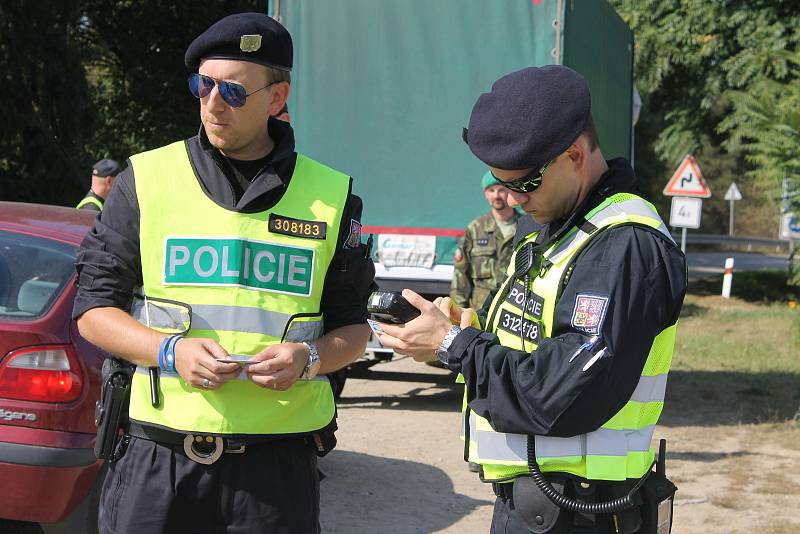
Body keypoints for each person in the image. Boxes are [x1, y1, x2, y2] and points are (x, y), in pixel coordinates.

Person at [73, 13, 375, 534]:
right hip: (157, 462)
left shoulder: (332, 197)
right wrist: (169, 351)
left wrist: (309, 358)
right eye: (203, 85)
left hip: (276, 472)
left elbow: (355, 330)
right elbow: (92, 311)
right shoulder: (144, 180)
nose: (213, 103)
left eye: (233, 90)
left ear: (277, 98)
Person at [376, 65, 687, 533]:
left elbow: (560, 394)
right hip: (538, 504)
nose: (513, 198)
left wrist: (453, 347)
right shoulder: (552, 224)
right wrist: (463, 325)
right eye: (501, 184)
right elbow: (532, 333)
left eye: (524, 183)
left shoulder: (624, 246)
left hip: (583, 514)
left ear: (575, 154)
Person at [451, 171, 524, 310]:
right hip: (480, 310)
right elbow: (461, 275)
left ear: (509, 191)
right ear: (486, 194)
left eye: (501, 190)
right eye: (491, 190)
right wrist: (457, 313)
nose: (496, 195)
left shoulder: (526, 227)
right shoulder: (475, 229)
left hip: (513, 309)